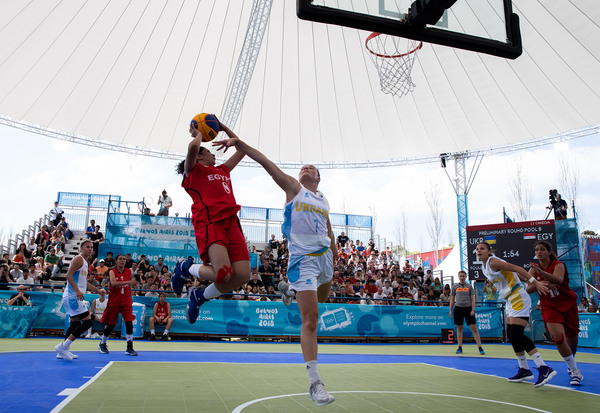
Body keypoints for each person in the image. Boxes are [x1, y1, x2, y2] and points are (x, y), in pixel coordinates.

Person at [213, 136, 338, 407]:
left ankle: (291, 291)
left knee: (322, 301)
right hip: (303, 259)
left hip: (325, 258)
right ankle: (315, 383)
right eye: (302, 167)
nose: (305, 168)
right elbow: (264, 162)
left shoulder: (323, 199)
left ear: (319, 177)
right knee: (311, 320)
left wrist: (334, 257)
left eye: (311, 167)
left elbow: (329, 230)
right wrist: (237, 141)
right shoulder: (294, 188)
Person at [170, 118, 251, 325]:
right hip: (210, 222)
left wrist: (224, 130)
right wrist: (198, 132)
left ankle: (199, 297)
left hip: (231, 223)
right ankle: (185, 268)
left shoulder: (222, 170)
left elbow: (242, 149)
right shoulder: (193, 172)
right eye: (208, 152)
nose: (212, 153)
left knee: (242, 275)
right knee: (222, 274)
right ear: (199, 158)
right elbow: (192, 147)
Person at [476, 242, 554, 388]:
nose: (479, 251)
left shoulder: (494, 261)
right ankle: (524, 369)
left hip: (518, 296)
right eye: (477, 249)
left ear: (489, 251)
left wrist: (534, 282)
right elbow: (513, 275)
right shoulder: (484, 266)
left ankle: (543, 368)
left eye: (482, 249)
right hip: (510, 299)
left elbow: (517, 268)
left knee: (516, 334)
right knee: (512, 335)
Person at [528, 240, 583, 386]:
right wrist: (537, 284)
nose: (538, 252)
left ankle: (572, 360)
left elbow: (558, 279)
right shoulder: (534, 269)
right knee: (558, 337)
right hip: (549, 305)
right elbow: (528, 288)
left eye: (542, 250)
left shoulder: (558, 265)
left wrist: (541, 274)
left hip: (567, 304)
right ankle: (574, 371)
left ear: (549, 252)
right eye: (536, 250)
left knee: (572, 337)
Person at [54, 240, 105, 361]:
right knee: (87, 323)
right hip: (73, 296)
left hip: (73, 296)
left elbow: (84, 282)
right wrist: (77, 291)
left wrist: (97, 291)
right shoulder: (78, 259)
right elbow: (68, 275)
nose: (90, 249)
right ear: (81, 248)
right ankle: (63, 347)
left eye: (91, 247)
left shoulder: (85, 263)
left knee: (75, 323)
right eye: (87, 247)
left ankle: (63, 351)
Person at [98, 254, 139, 356]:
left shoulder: (128, 271)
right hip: (115, 300)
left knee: (129, 322)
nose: (122, 261)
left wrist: (130, 297)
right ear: (116, 261)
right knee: (111, 324)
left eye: (124, 259)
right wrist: (129, 281)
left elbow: (128, 286)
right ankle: (102, 343)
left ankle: (129, 347)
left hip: (125, 300)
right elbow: (114, 283)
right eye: (120, 259)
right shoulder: (112, 271)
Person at [449, 271, 485, 355]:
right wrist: (450, 310)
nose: (462, 278)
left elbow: (472, 299)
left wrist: (473, 310)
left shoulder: (469, 286)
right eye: (460, 276)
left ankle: (480, 347)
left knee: (474, 328)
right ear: (458, 277)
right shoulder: (454, 286)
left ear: (465, 277)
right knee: (459, 327)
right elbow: (452, 299)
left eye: (463, 276)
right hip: (458, 308)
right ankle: (459, 347)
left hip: (468, 308)